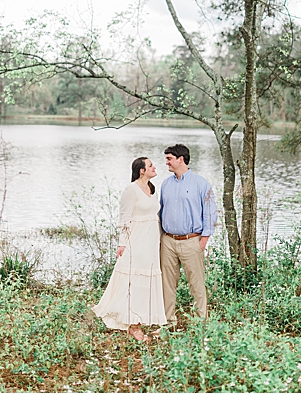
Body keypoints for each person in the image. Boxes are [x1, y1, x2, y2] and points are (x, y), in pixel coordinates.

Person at [91, 156, 167, 343]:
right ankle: (134, 325)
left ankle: (140, 319)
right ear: (142, 170)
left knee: (146, 283)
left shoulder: (152, 189)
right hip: (136, 242)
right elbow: (124, 220)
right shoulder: (131, 190)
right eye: (150, 165)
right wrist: (122, 243)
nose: (154, 167)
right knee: (134, 281)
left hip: (151, 243)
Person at [159, 143, 216, 326]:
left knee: (196, 283)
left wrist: (203, 241)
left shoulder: (201, 183)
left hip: (191, 241)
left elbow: (210, 213)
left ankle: (201, 323)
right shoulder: (165, 184)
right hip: (168, 241)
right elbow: (160, 212)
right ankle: (168, 322)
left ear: (181, 159)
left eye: (169, 159)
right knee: (167, 284)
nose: (166, 163)